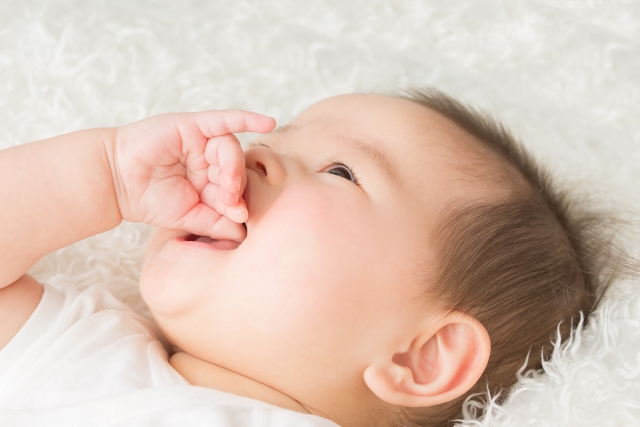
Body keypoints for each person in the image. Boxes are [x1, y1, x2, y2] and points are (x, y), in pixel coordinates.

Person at [0, 89, 622, 427]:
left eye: (341, 170)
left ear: (422, 356)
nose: (251, 155)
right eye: (273, 137)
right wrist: (105, 176)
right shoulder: (84, 350)